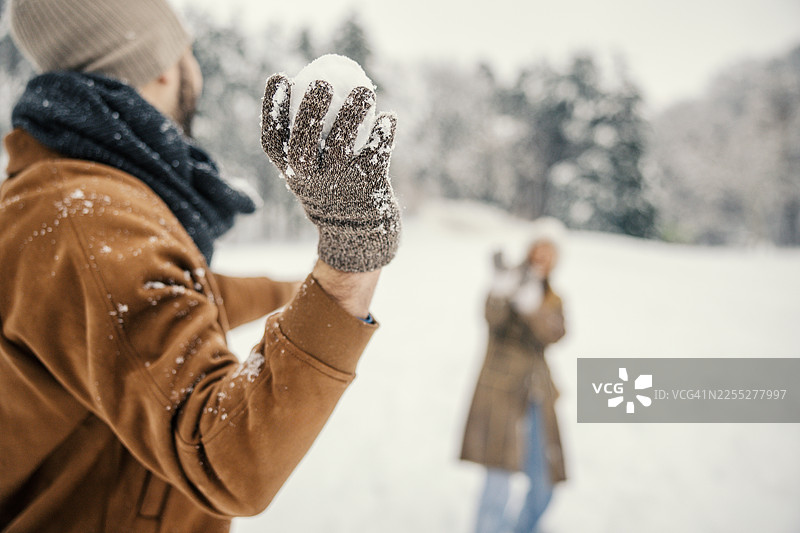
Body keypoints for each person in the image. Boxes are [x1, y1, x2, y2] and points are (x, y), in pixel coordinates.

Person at [0, 0, 400, 531]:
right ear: (163, 64)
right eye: (185, 47)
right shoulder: (91, 223)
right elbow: (228, 458)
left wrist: (293, 293)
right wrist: (350, 265)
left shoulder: (60, 196)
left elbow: (170, 299)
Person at [460, 221, 567, 533]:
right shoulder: (507, 280)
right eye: (539, 250)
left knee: (545, 480)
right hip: (501, 397)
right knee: (498, 482)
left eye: (550, 253)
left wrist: (533, 306)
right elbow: (491, 318)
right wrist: (502, 291)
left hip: (537, 396)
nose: (542, 258)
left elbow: (556, 333)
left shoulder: (552, 298)